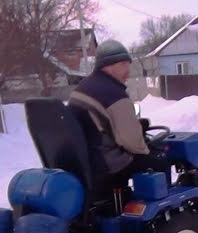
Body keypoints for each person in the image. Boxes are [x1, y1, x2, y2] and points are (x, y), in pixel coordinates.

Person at [68, 39, 170, 186]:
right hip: (107, 163)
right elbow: (133, 143)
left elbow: (98, 125)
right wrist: (147, 148)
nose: (127, 71)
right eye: (123, 64)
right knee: (159, 160)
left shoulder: (84, 87)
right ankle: (165, 208)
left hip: (86, 160)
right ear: (108, 66)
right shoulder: (113, 93)